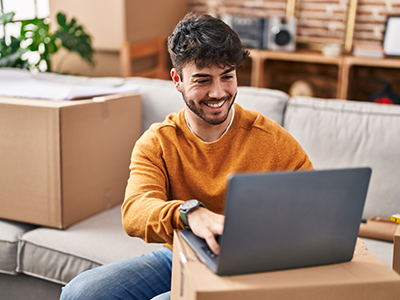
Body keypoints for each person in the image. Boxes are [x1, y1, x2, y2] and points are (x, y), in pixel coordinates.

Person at [60, 12, 313, 300]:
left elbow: (316, 204)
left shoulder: (270, 138)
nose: (218, 93)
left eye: (227, 77)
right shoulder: (158, 142)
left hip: (254, 267)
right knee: (81, 293)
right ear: (177, 79)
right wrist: (189, 212)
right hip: (182, 255)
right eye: (202, 80)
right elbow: (135, 211)